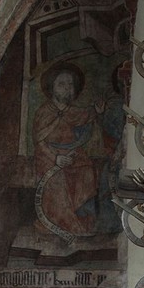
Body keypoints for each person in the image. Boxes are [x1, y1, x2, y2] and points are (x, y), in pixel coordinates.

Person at [33, 64, 106, 235]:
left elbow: (86, 115)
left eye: (70, 84)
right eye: (62, 84)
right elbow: (39, 143)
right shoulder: (43, 112)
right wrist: (55, 158)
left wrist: (97, 111)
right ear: (52, 87)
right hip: (48, 156)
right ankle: (63, 225)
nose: (67, 88)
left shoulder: (73, 111)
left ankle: (83, 220)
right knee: (57, 179)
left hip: (74, 155)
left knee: (87, 172)